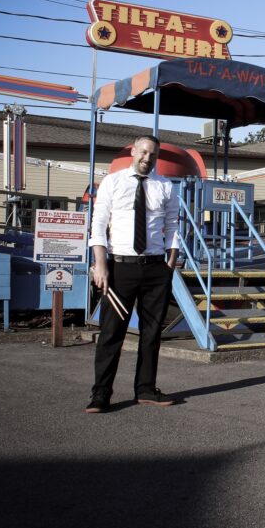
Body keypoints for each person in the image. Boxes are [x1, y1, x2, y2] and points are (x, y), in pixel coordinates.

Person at [85, 135, 180, 413]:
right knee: (111, 333)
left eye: (153, 155)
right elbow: (99, 224)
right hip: (119, 267)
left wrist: (170, 263)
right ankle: (100, 394)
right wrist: (100, 264)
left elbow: (173, 224)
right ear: (133, 151)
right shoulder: (112, 182)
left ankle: (146, 389)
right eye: (143, 152)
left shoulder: (164, 186)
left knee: (152, 333)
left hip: (155, 268)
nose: (147, 158)